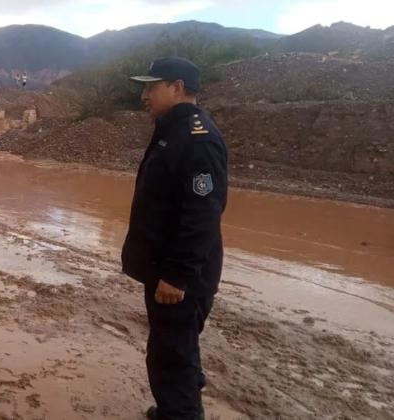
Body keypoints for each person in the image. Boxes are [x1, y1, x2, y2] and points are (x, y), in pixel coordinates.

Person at [121, 57, 228, 420]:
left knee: (172, 358)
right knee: (174, 350)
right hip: (166, 267)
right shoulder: (172, 129)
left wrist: (178, 274)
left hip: (180, 276)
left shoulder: (197, 138)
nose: (143, 95)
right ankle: (173, 410)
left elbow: (203, 214)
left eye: (151, 86)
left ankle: (179, 412)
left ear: (176, 87)